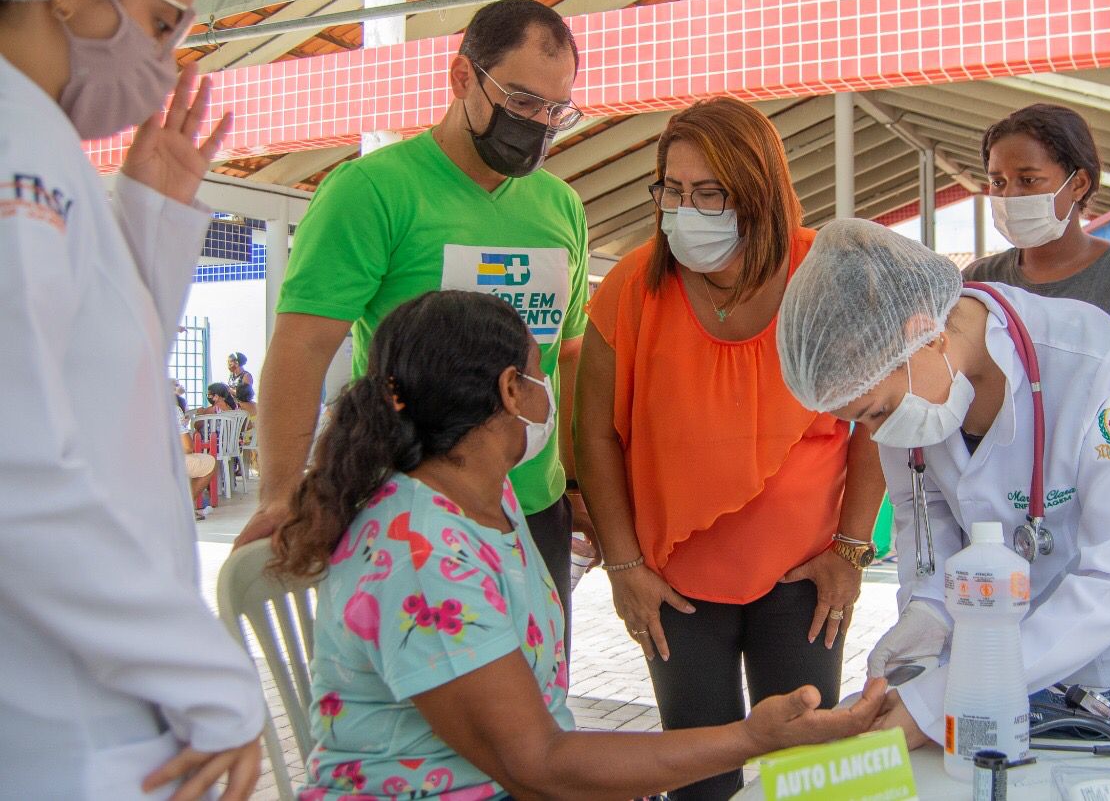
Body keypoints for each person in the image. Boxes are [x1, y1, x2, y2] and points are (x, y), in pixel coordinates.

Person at [273, 290, 888, 801]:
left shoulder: (483, 495)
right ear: (512, 391)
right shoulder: (421, 557)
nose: (551, 394)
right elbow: (541, 766)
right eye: (543, 375)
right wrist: (754, 738)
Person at [236, 0, 595, 642]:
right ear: (463, 78)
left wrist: (574, 483)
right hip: (410, 508)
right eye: (520, 100)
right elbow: (300, 351)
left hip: (532, 508)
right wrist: (281, 492)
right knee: (431, 718)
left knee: (540, 695)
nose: (536, 123)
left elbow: (566, 357)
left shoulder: (560, 206)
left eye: (554, 110)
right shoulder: (370, 192)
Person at [0, 0, 264, 799]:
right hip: (64, 721)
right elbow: (16, 468)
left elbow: (102, 383)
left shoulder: (40, 137)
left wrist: (148, 213)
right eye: (161, 23)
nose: (167, 61)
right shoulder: (15, 141)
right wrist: (208, 675)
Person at [576, 97, 886, 799]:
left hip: (802, 584)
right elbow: (593, 433)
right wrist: (623, 565)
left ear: (757, 192)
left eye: (708, 192)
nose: (686, 209)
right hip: (675, 590)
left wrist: (850, 550)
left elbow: (875, 420)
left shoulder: (827, 274)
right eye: (672, 190)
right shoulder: (632, 286)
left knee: (808, 780)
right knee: (699, 783)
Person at [776, 218, 1110, 750]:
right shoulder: (910, 392)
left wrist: (942, 697)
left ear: (926, 332)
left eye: (875, 412)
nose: (876, 433)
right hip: (978, 651)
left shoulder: (1096, 365)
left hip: (1106, 663)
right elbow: (927, 521)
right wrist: (928, 613)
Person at [965, 103, 1110, 358]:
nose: (1009, 194)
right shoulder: (979, 281)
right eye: (997, 182)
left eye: (1028, 180)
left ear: (1078, 184)